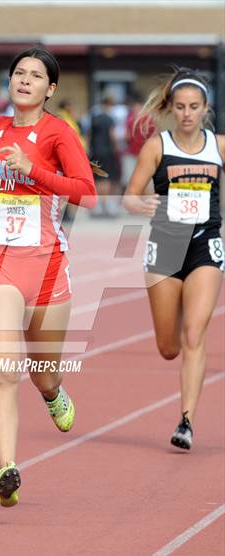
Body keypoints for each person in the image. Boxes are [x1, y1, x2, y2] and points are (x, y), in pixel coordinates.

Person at [0, 47, 100, 507]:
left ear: (49, 89)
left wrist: (34, 170)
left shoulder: (59, 133)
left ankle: (54, 393)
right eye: (19, 72)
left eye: (35, 75)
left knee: (42, 373)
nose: (24, 80)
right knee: (4, 369)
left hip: (46, 264)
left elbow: (87, 194)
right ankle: (7, 468)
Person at [124, 68, 224, 451]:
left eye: (194, 107)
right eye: (180, 107)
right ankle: (178, 311)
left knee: (195, 335)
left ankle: (186, 421)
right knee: (169, 347)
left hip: (205, 244)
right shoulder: (157, 147)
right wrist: (141, 204)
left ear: (205, 108)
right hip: (165, 246)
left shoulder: (218, 146)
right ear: (171, 108)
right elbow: (131, 194)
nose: (186, 114)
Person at [88, 95, 120, 217]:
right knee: (106, 178)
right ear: (110, 105)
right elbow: (112, 136)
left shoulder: (94, 118)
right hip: (107, 152)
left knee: (97, 177)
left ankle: (97, 206)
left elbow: (89, 135)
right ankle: (105, 205)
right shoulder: (110, 119)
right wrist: (116, 147)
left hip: (95, 152)